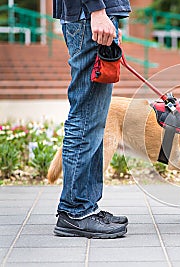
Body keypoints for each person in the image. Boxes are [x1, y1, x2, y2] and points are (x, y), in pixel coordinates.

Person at [52, 0, 131, 238]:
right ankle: (75, 212)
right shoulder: (94, 13)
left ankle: (86, 206)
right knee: (86, 117)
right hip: (89, 16)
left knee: (94, 122)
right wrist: (97, 10)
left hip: (92, 17)